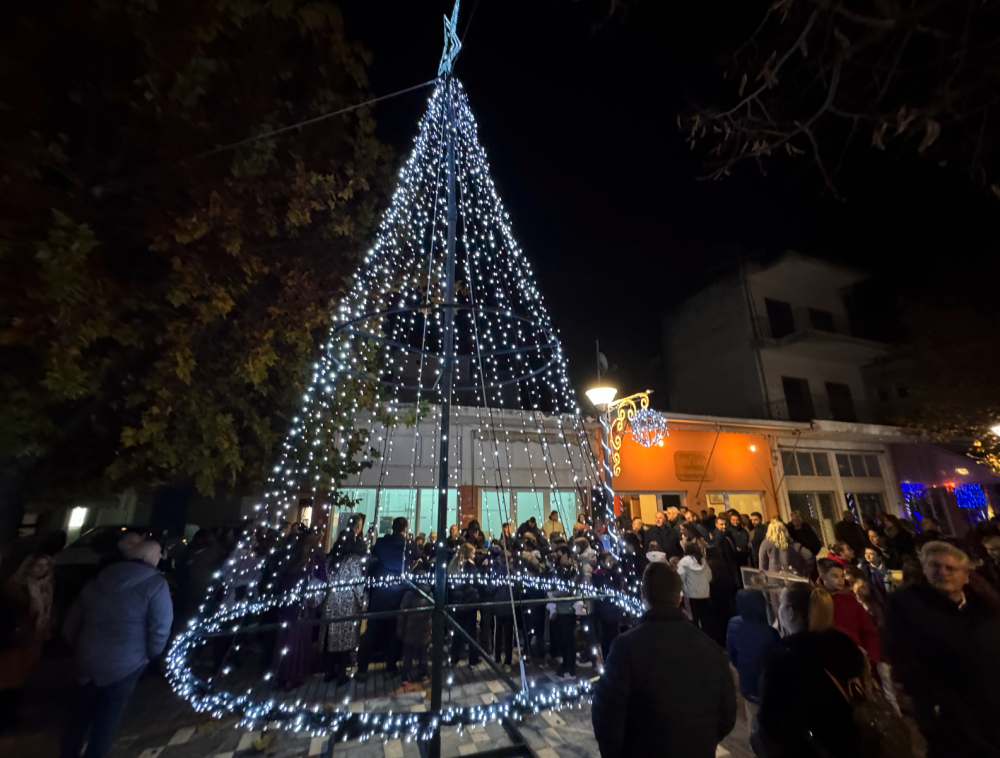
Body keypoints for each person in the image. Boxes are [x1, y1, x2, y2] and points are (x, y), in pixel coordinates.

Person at [592, 562, 736, 757]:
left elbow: (607, 716)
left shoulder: (625, 648)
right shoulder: (708, 647)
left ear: (643, 597)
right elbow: (726, 714)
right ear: (679, 597)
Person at [886, 541, 1000, 757]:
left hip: (990, 707)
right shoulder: (908, 604)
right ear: (925, 569)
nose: (943, 573)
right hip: (945, 711)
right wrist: (931, 702)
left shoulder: (984, 606)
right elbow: (902, 655)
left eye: (950, 568)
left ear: (966, 575)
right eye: (935, 566)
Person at [61, 541, 172, 758]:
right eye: (159, 553)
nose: (161, 556)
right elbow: (161, 626)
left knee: (79, 716)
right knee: (107, 719)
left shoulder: (97, 581)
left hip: (87, 657)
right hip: (126, 661)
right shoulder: (155, 584)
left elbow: (70, 624)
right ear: (149, 557)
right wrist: (153, 654)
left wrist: (79, 647)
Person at [754, 584, 882, 758]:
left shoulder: (783, 663)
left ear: (790, 612)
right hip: (853, 744)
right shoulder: (845, 647)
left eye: (781, 603)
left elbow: (773, 725)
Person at [356, 517, 417, 680]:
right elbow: (418, 557)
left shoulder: (382, 542)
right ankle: (390, 668)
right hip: (398, 592)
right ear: (405, 528)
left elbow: (373, 554)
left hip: (380, 592)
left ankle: (362, 669)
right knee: (393, 631)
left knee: (372, 629)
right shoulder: (408, 545)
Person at [0, 554, 54, 728]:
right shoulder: (15, 587)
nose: (41, 569)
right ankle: (6, 716)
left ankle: (12, 713)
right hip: (15, 640)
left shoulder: (45, 588)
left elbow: (47, 611)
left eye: (45, 566)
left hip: (33, 639)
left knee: (22, 676)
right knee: (9, 677)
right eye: (37, 565)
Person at [726, 589, 781, 732]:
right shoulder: (770, 633)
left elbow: (732, 653)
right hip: (767, 688)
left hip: (747, 683)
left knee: (753, 720)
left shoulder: (733, 623)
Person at [321, 533, 367, 686]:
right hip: (347, 603)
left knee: (331, 639)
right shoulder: (352, 560)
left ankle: (328, 671)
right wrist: (363, 602)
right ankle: (342, 673)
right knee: (344, 642)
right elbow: (357, 584)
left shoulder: (329, 560)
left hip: (330, 602)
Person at [816, 558, 881, 667]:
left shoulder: (849, 600)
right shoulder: (817, 600)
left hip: (856, 659)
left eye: (842, 576)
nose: (840, 580)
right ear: (823, 576)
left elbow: (868, 631)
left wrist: (871, 658)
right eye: (835, 576)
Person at [397, 565, 432, 685]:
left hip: (410, 631)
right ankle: (423, 673)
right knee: (423, 654)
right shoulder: (429, 594)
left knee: (408, 656)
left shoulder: (409, 594)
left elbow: (403, 614)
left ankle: (406, 676)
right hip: (424, 631)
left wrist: (400, 631)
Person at [677, 541, 713, 636]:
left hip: (690, 595)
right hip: (705, 594)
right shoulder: (703, 561)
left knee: (693, 620)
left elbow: (679, 578)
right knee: (705, 621)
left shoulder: (683, 562)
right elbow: (709, 577)